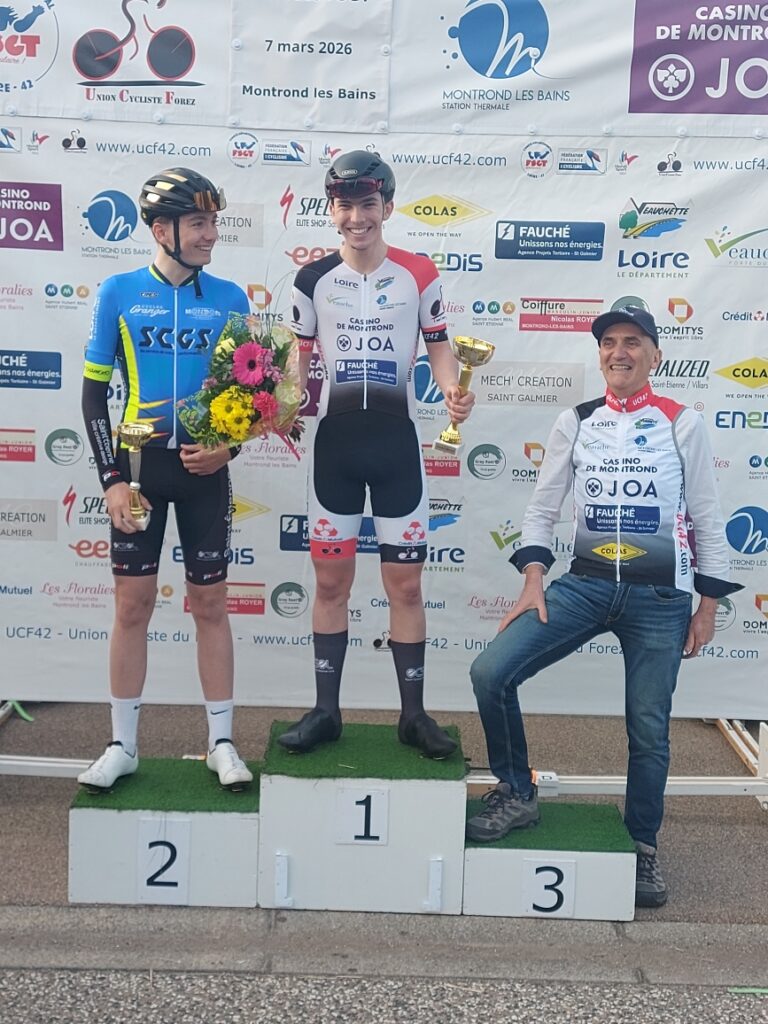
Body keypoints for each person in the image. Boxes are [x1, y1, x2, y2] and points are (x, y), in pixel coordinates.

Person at [466, 305, 741, 907]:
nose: (620, 352)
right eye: (610, 342)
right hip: (586, 584)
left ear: (655, 355)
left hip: (661, 597)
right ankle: (516, 792)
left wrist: (708, 606)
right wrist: (533, 577)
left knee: (649, 727)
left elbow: (707, 515)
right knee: (490, 672)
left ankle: (642, 845)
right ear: (599, 355)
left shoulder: (682, 422)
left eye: (633, 342)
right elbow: (542, 508)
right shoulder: (576, 420)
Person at [281, 150, 474, 758]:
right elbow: (298, 360)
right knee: (330, 583)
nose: (356, 217)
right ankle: (325, 711)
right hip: (335, 447)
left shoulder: (418, 271)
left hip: (396, 447)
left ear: (387, 207)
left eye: (367, 204)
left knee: (407, 587)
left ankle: (413, 716)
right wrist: (279, 405)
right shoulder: (311, 279)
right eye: (345, 206)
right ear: (331, 210)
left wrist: (451, 389)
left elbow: (439, 346)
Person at [78, 167, 253, 791]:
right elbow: (93, 396)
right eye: (199, 223)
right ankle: (122, 745)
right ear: (161, 230)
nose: (211, 235)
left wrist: (229, 448)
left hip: (205, 472)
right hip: (139, 469)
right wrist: (110, 480)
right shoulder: (119, 292)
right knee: (132, 606)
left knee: (210, 604)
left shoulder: (231, 299)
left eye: (213, 223)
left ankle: (222, 743)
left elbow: (249, 394)